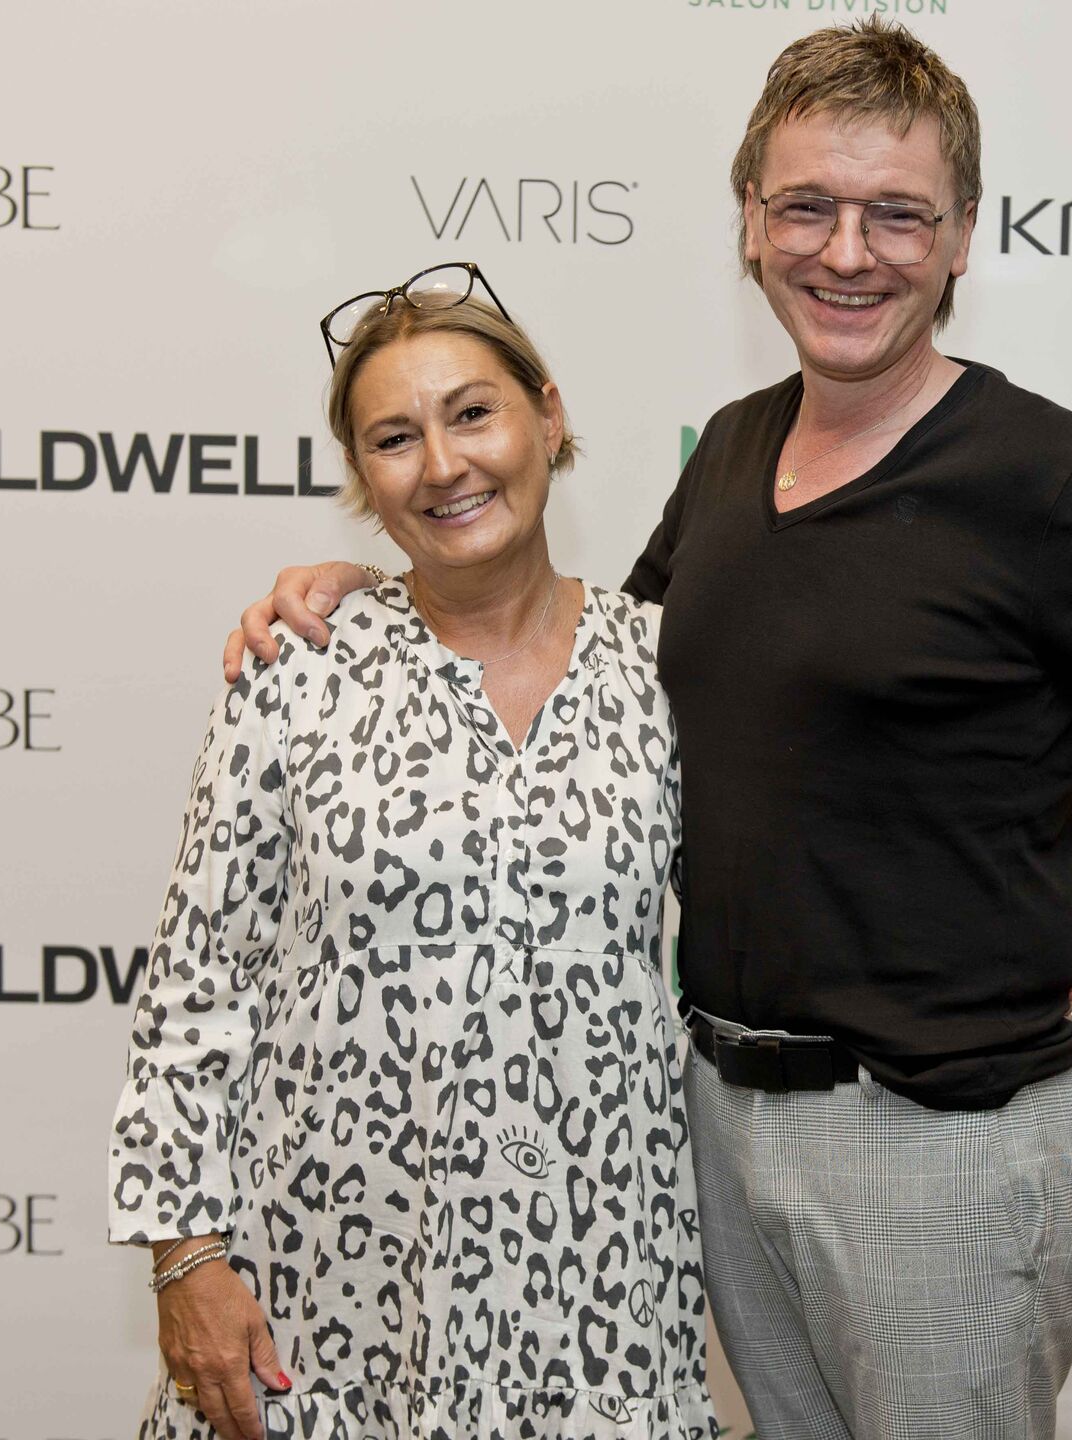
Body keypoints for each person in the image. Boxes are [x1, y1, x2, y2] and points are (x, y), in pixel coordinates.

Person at [225, 22, 1072, 1440]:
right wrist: (378, 595)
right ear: (750, 220)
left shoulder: (1046, 479)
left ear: (962, 237)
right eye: (807, 206)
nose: (847, 253)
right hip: (719, 1126)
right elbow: (582, 673)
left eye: (897, 215)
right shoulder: (736, 449)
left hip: (941, 1150)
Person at [110, 273, 714, 1440]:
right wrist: (185, 1257)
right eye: (394, 438)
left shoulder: (669, 666)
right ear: (363, 475)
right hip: (323, 1282)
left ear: (548, 415)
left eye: (473, 413)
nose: (442, 465)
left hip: (597, 1275)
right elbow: (196, 983)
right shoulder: (295, 668)